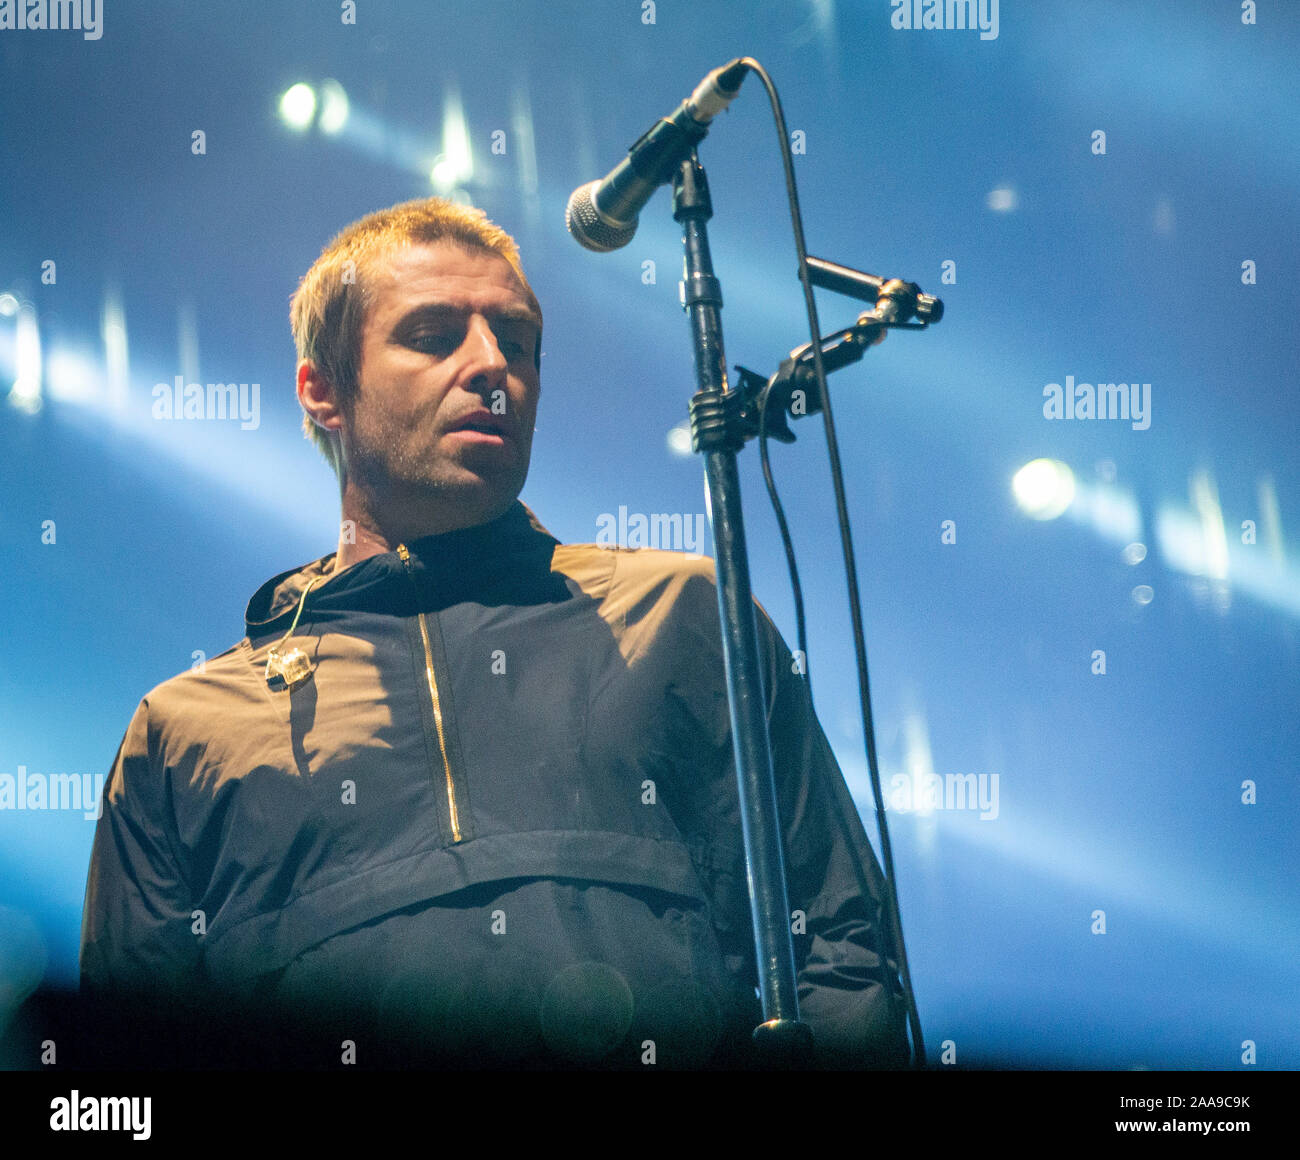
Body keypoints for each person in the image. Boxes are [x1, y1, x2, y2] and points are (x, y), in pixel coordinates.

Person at [79, 197, 911, 1070]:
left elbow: (842, 948)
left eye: (515, 341)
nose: (490, 366)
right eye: (435, 335)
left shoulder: (685, 615)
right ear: (322, 389)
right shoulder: (186, 732)